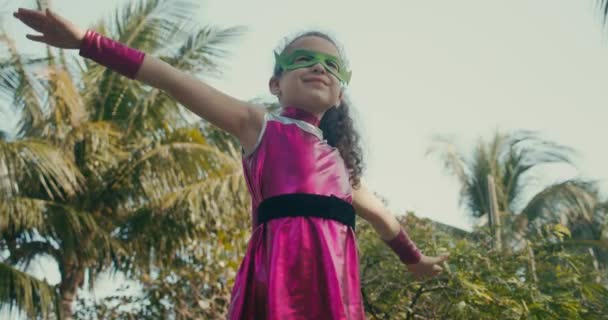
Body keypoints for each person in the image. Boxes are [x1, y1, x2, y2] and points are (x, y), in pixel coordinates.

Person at [13, 7, 450, 319]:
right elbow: (169, 78)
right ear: (275, 83)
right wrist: (88, 42)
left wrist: (414, 260)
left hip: (333, 292)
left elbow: (383, 219)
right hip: (275, 279)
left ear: (340, 93)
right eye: (303, 59)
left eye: (331, 65)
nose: (318, 66)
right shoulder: (258, 125)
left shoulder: (342, 166)